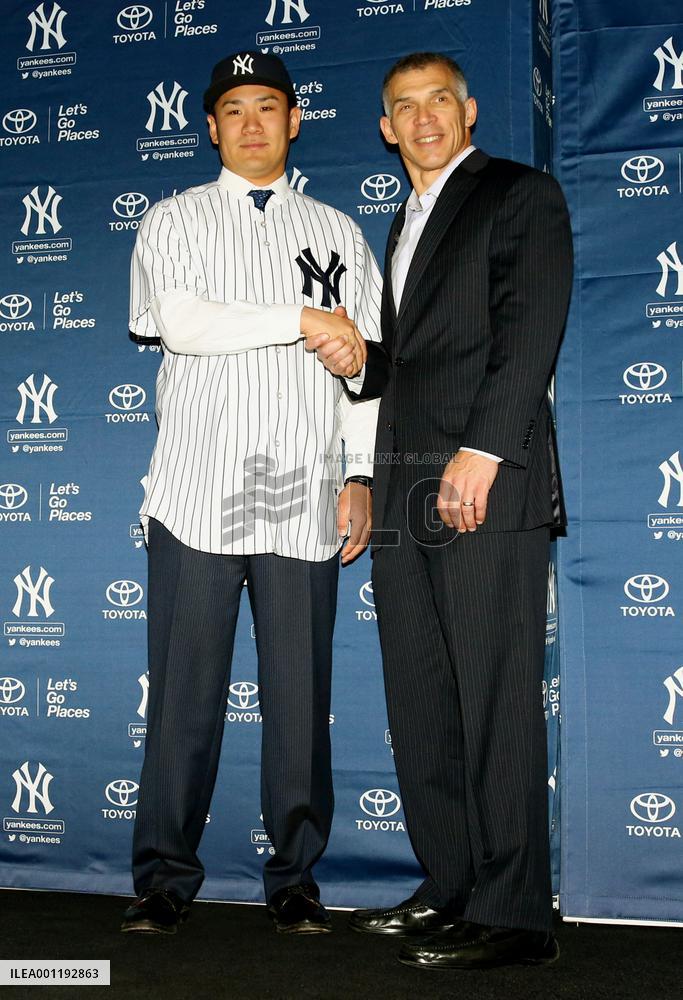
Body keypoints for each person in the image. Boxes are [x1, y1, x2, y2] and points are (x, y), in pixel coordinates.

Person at [121, 51, 383, 936]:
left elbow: (367, 372)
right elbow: (182, 324)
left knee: (300, 705)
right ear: (211, 127)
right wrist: (302, 319)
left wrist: (360, 475)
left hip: (304, 489)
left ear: (295, 118)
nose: (250, 123)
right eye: (232, 109)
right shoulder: (174, 218)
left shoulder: (340, 231)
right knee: (185, 697)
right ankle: (162, 877)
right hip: (197, 488)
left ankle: (295, 880)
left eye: (266, 106)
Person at [348, 52, 573, 969]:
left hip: (484, 482)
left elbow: (529, 327)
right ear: (386, 128)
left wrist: (480, 454)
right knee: (424, 703)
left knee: (494, 700)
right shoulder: (397, 220)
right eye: (404, 106)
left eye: (439, 98)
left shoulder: (518, 194)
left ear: (468, 110)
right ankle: (450, 885)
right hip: (403, 490)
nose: (423, 116)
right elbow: (407, 366)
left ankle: (513, 912)